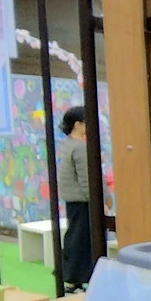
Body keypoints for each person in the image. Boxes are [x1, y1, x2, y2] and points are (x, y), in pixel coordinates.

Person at [57, 105, 95, 290]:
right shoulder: (80, 147)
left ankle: (73, 278)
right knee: (82, 240)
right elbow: (86, 178)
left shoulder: (69, 143)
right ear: (78, 124)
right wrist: (97, 201)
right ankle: (75, 278)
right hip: (83, 200)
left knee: (75, 236)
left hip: (73, 199)